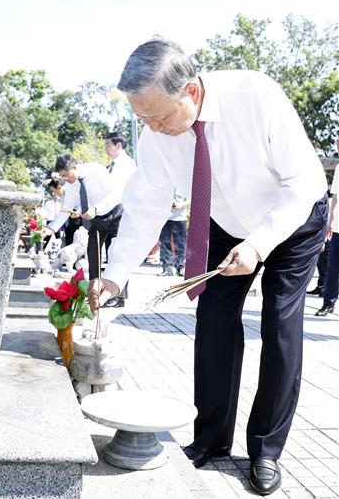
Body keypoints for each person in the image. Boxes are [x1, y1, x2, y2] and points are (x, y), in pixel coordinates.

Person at [88, 39, 327, 496]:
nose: (153, 128)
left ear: (192, 93)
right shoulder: (157, 130)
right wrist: (115, 275)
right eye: (143, 119)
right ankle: (212, 439)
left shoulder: (255, 95)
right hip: (224, 222)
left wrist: (259, 244)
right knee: (214, 322)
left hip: (292, 219)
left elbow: (305, 181)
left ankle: (266, 450)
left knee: (279, 323)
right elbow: (148, 203)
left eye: (159, 116)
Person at [54, 154, 124, 284]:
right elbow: (66, 207)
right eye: (61, 176)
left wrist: (96, 209)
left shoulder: (96, 170)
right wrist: (51, 228)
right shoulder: (71, 183)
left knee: (116, 255)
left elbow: (115, 194)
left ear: (74, 167)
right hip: (97, 219)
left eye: (65, 175)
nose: (64, 179)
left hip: (116, 213)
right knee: (93, 254)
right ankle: (94, 290)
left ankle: (117, 296)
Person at [103, 131, 137, 307]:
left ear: (118, 145)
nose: (106, 148)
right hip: (112, 213)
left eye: (108, 144)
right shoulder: (114, 165)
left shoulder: (126, 164)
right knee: (111, 252)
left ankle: (118, 296)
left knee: (118, 253)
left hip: (122, 212)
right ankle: (111, 293)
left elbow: (119, 191)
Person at [316, 141, 339, 316]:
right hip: (338, 226)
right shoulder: (338, 168)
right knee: (333, 266)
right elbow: (335, 197)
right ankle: (328, 303)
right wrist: (330, 222)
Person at [158, 189, 188, 276]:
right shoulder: (165, 184)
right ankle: (166, 269)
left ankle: (180, 268)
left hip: (180, 218)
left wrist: (181, 204)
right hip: (165, 218)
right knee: (164, 244)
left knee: (180, 245)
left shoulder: (182, 184)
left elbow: (190, 197)